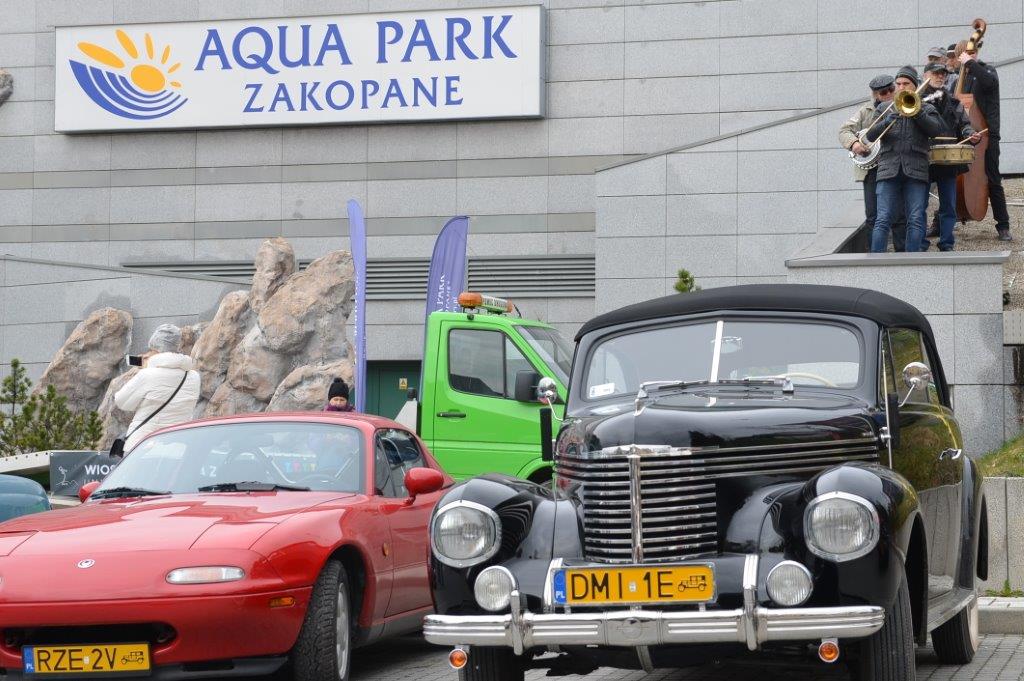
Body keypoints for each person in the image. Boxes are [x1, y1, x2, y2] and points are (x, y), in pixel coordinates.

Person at [866, 65, 944, 253]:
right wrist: (887, 121)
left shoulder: (927, 108)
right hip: (888, 169)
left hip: (916, 169)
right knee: (883, 218)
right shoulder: (884, 108)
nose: (901, 87)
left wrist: (918, 113)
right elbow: (870, 135)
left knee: (915, 218)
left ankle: (912, 260)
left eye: (906, 83)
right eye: (898, 84)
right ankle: (876, 261)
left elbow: (936, 130)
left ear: (915, 85)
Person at [839, 74, 907, 250]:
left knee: (899, 214)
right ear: (875, 95)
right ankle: (874, 255)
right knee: (872, 214)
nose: (889, 94)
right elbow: (844, 130)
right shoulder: (866, 111)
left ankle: (903, 254)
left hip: (895, 166)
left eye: (891, 89)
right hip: (872, 170)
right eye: (884, 92)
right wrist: (854, 143)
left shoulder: (904, 104)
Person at [919, 62, 979, 251]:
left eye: (942, 74)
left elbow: (964, 124)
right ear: (925, 75)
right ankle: (920, 243)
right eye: (935, 73)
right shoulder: (915, 100)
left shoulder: (953, 102)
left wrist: (971, 134)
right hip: (922, 158)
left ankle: (946, 243)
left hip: (948, 159)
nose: (940, 76)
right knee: (919, 205)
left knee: (949, 205)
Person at [114, 324, 201, 451]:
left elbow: (122, 402)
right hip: (177, 447)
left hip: (144, 447)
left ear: (156, 349)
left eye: (151, 349)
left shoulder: (147, 375)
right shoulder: (194, 377)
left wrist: (144, 371)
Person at [957, 43, 1011, 241]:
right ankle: (941, 222)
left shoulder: (987, 70)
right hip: (965, 134)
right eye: (965, 54)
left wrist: (971, 63)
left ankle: (1003, 226)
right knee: (950, 179)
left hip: (988, 135)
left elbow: (989, 83)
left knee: (993, 178)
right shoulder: (960, 78)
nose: (969, 56)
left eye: (972, 53)